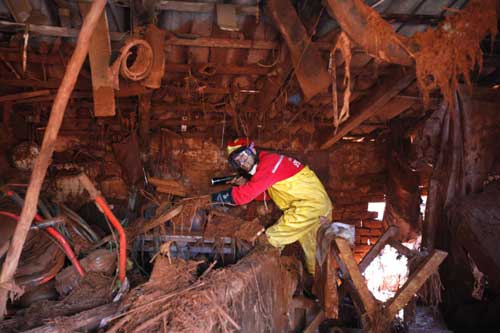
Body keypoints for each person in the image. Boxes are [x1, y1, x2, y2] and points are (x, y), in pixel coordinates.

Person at [211, 138, 333, 275]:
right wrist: (245, 185)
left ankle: (261, 277)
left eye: (243, 156)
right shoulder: (268, 165)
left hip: (310, 206)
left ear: (252, 150)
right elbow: (265, 195)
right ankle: (320, 289)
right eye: (237, 161)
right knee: (314, 252)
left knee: (271, 239)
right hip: (315, 206)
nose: (242, 162)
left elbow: (245, 196)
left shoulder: (269, 163)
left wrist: (214, 198)